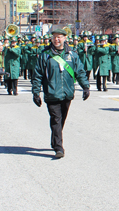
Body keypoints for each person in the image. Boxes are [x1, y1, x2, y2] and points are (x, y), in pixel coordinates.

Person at [32, 28, 90, 159]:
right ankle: (59, 147)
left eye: (59, 37)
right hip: (52, 93)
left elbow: (79, 71)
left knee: (61, 120)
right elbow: (37, 75)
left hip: (67, 93)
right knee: (56, 119)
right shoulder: (45, 55)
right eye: (54, 37)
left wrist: (85, 86)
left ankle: (55, 141)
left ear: (65, 38)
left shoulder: (72, 55)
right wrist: (36, 93)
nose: (56, 40)